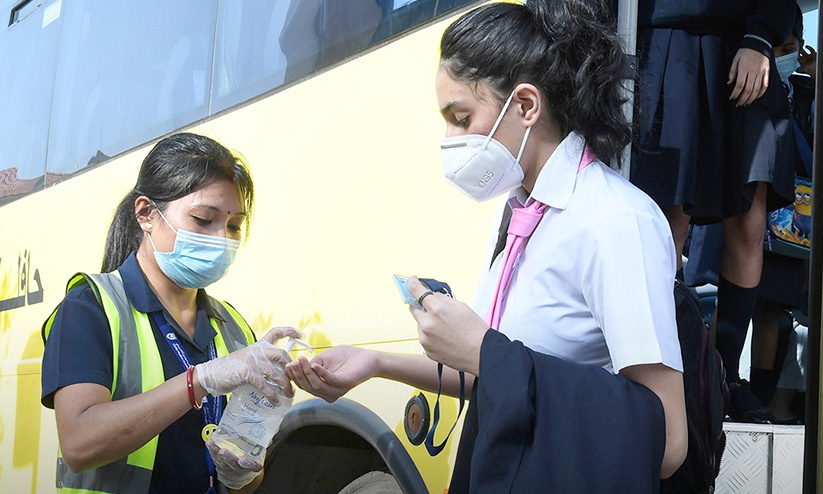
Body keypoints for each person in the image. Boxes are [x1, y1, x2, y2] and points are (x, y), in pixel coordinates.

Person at [286, 2, 687, 492]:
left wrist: (482, 348)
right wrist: (376, 364)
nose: (450, 140)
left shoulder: (615, 220)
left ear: (525, 106)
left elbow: (666, 441)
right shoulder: (519, 216)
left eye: (461, 117)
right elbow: (493, 373)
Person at [40, 133, 300, 494]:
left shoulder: (233, 327)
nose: (222, 239)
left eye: (234, 226)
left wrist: (243, 469)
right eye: (203, 219)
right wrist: (200, 381)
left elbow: (247, 481)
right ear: (146, 214)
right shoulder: (90, 307)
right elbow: (79, 445)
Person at [631, 0, 796, 422]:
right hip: (665, 43)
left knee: (750, 223)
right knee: (668, 223)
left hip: (745, 46)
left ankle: (722, 376)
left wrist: (762, 35)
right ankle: (663, 368)